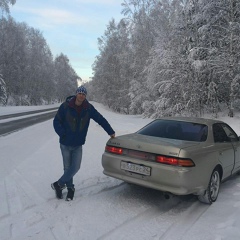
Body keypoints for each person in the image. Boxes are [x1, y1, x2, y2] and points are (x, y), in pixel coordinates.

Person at [52, 86, 115, 201]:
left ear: (85, 96)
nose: (81, 95)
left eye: (83, 94)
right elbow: (56, 121)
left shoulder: (88, 108)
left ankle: (59, 184)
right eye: (80, 93)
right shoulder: (65, 106)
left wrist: (110, 131)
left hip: (77, 144)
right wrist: (62, 133)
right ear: (76, 94)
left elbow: (100, 119)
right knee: (67, 168)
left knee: (75, 167)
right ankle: (70, 189)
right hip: (65, 143)